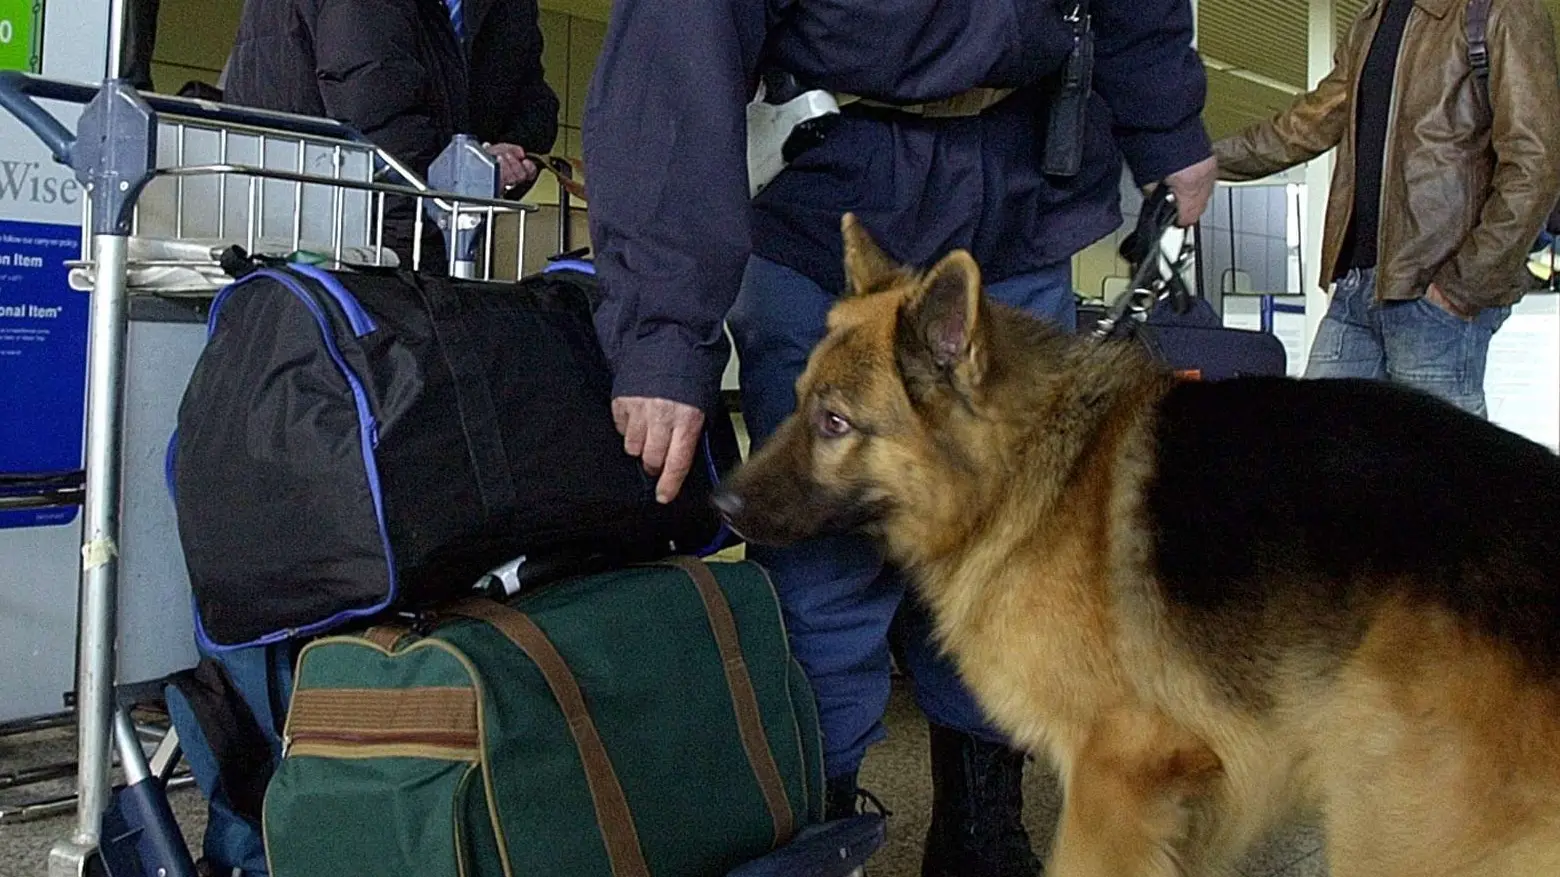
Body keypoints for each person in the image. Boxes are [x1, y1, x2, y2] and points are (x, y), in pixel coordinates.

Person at [580, 3, 1217, 873]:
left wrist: (1168, 123)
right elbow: (675, 49)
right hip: (828, 199)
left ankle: (980, 825)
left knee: (1012, 566)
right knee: (820, 567)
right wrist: (661, 325)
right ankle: (823, 822)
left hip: (1022, 208)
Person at [1213, 0, 1560, 417]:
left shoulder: (1500, 9)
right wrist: (1197, 160)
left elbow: (1537, 163)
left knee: (1438, 471)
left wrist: (1463, 286)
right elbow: (1304, 124)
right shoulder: (1372, 18)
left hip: (1434, 292)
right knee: (1320, 458)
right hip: (1357, 291)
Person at [223, 0, 561, 269]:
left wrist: (504, 158)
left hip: (399, 233)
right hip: (335, 235)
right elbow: (374, 101)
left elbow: (532, 103)